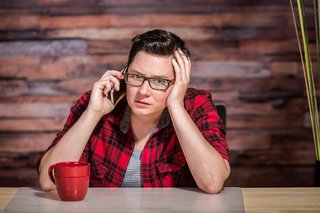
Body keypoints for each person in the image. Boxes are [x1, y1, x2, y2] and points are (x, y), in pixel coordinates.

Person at [38, 29, 230, 194]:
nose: (143, 92)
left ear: (179, 83)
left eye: (160, 81)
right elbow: (49, 182)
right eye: (137, 76)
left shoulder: (196, 104)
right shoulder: (97, 101)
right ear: (125, 72)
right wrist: (94, 113)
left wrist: (176, 106)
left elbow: (212, 183)